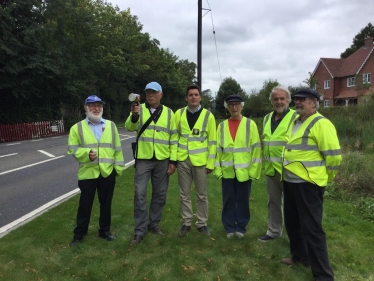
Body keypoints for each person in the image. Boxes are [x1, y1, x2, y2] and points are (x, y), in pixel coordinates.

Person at [281, 88, 342, 281]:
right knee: (292, 223)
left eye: (303, 100)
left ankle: (323, 275)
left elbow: (334, 157)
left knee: (312, 229)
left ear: (314, 102)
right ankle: (299, 257)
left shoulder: (322, 124)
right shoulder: (295, 121)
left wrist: (326, 179)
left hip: (308, 184)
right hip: (290, 181)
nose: (298, 102)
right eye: (297, 99)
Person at [67, 95, 125, 247]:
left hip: (107, 172)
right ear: (85, 108)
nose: (96, 108)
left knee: (106, 204)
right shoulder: (77, 128)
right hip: (87, 173)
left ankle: (104, 231)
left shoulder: (111, 126)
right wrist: (86, 154)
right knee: (85, 205)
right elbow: (72, 149)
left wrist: (117, 169)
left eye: (99, 105)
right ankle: (79, 234)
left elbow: (117, 149)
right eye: (92, 105)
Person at [125, 81, 178, 245]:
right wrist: (134, 116)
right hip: (143, 160)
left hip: (162, 160)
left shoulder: (169, 113)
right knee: (140, 194)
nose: (151, 95)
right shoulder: (138, 109)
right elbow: (129, 127)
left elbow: (174, 138)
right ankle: (140, 230)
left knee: (160, 195)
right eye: (148, 92)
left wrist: (173, 161)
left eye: (154, 92)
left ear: (160, 94)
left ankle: (154, 224)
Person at [214, 95, 262, 239]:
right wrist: (218, 169)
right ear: (227, 107)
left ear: (241, 105)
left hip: (244, 171)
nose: (234, 107)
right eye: (231, 105)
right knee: (228, 200)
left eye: (236, 104)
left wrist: (254, 170)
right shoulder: (221, 126)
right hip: (227, 170)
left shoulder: (250, 124)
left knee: (243, 200)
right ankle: (229, 227)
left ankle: (241, 226)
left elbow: (256, 149)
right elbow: (217, 149)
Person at [174, 84, 216, 237]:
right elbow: (174, 137)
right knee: (184, 193)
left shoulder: (208, 116)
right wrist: (175, 159)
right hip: (183, 159)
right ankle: (186, 222)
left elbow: (212, 141)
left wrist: (211, 163)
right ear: (186, 97)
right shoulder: (178, 114)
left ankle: (202, 223)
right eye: (190, 95)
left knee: (202, 194)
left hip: (201, 161)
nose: (193, 97)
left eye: (196, 95)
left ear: (200, 97)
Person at [258, 86, 297, 242]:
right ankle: (274, 231)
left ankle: (295, 237)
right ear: (271, 101)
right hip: (271, 169)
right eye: (276, 99)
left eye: (282, 98)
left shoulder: (296, 117)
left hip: (289, 168)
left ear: (288, 100)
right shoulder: (267, 118)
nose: (279, 102)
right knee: (273, 202)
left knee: (293, 205)